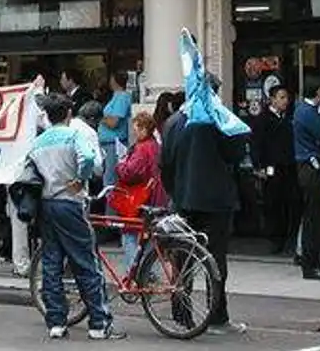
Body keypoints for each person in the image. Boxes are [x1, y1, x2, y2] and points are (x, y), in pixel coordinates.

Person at [29, 93, 124, 340]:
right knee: (85, 262)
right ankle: (98, 323)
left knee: (51, 264)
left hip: (47, 203)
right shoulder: (74, 135)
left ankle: (56, 322)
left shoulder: (39, 141)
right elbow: (90, 159)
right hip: (71, 203)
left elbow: (28, 168)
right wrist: (79, 179)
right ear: (69, 114)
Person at [160, 72, 247, 335]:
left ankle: (181, 314)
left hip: (183, 200)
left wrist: (176, 192)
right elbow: (236, 154)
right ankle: (217, 317)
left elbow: (165, 165)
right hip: (215, 201)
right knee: (216, 261)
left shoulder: (174, 122)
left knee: (182, 260)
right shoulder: (218, 121)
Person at [293, 72, 320, 280]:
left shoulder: (304, 110)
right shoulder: (307, 113)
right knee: (315, 219)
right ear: (319, 92)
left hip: (311, 167)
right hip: (312, 167)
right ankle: (310, 264)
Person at [115, 111, 168, 271]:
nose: (134, 131)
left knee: (130, 234)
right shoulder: (156, 146)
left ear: (144, 129)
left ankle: (136, 272)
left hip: (141, 198)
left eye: (136, 128)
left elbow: (130, 172)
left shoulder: (142, 148)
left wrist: (120, 163)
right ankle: (148, 273)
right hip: (156, 195)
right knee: (150, 237)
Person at [251, 85, 298, 255]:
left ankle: (288, 237)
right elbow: (256, 144)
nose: (285, 101)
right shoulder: (263, 119)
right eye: (281, 97)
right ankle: (275, 239)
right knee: (273, 202)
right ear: (272, 99)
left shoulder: (288, 119)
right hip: (271, 167)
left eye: (286, 97)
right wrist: (259, 166)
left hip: (288, 166)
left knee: (289, 202)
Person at [98, 71, 133, 210]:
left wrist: (101, 118)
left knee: (110, 181)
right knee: (108, 180)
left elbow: (114, 122)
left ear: (114, 80)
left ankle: (112, 215)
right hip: (108, 145)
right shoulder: (116, 97)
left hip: (114, 145)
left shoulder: (122, 97)